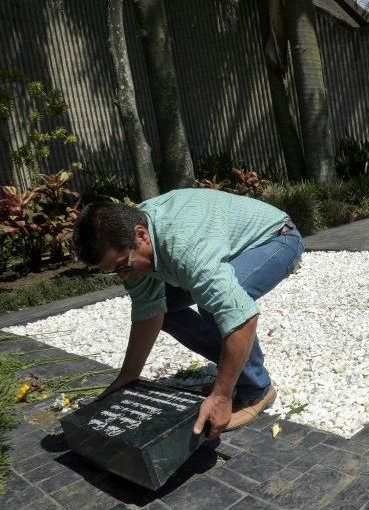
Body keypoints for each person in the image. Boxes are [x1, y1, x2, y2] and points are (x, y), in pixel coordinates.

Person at [73, 188, 303, 440]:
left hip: (275, 239)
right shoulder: (136, 249)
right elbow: (149, 312)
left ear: (140, 236)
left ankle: (256, 390)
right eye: (113, 271)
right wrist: (128, 376)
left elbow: (241, 316)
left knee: (215, 304)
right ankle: (236, 369)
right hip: (221, 244)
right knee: (166, 308)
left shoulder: (185, 246)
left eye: (123, 267)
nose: (124, 276)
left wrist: (220, 396)